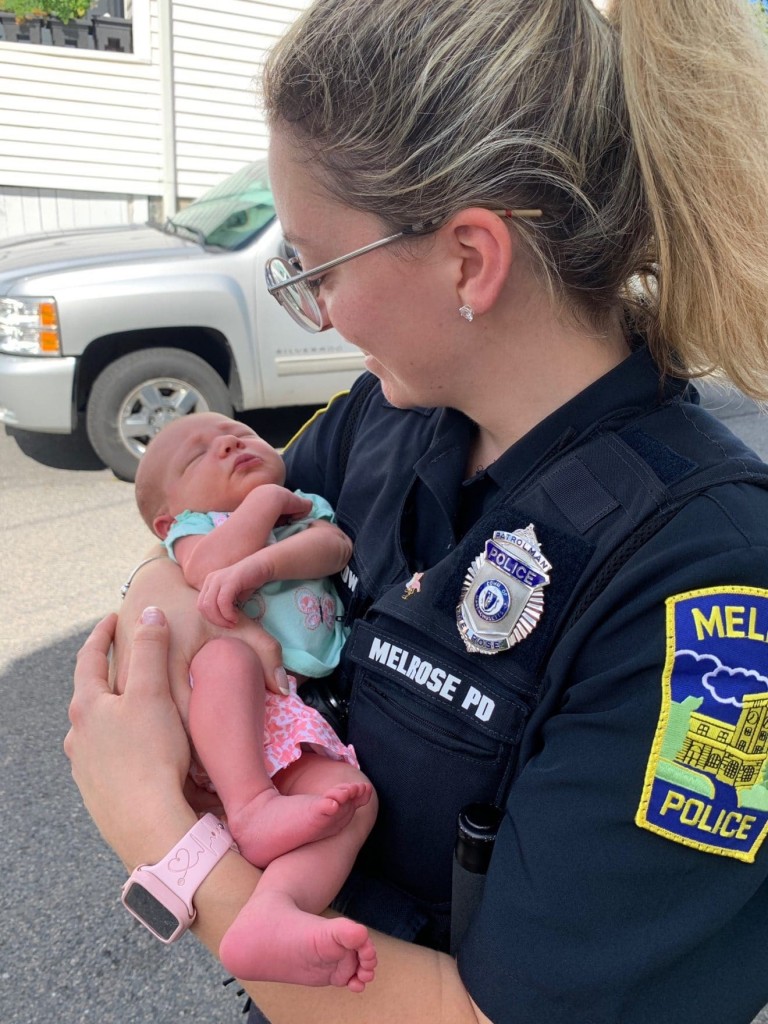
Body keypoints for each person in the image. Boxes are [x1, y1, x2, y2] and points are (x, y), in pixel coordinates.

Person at [65, 1, 768, 1021]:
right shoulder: (380, 420)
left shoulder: (712, 588)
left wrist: (164, 839)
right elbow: (188, 556)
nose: (314, 306)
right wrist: (166, 611)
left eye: (313, 267)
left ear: (469, 259)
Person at [124, 412, 378, 989]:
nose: (230, 443)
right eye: (197, 456)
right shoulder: (197, 525)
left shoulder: (300, 506)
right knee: (226, 658)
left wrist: (266, 555)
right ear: (167, 518)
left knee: (352, 800)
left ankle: (274, 911)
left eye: (239, 434)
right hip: (228, 718)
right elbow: (207, 565)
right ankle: (249, 806)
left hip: (293, 715)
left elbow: (333, 546)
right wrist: (262, 505)